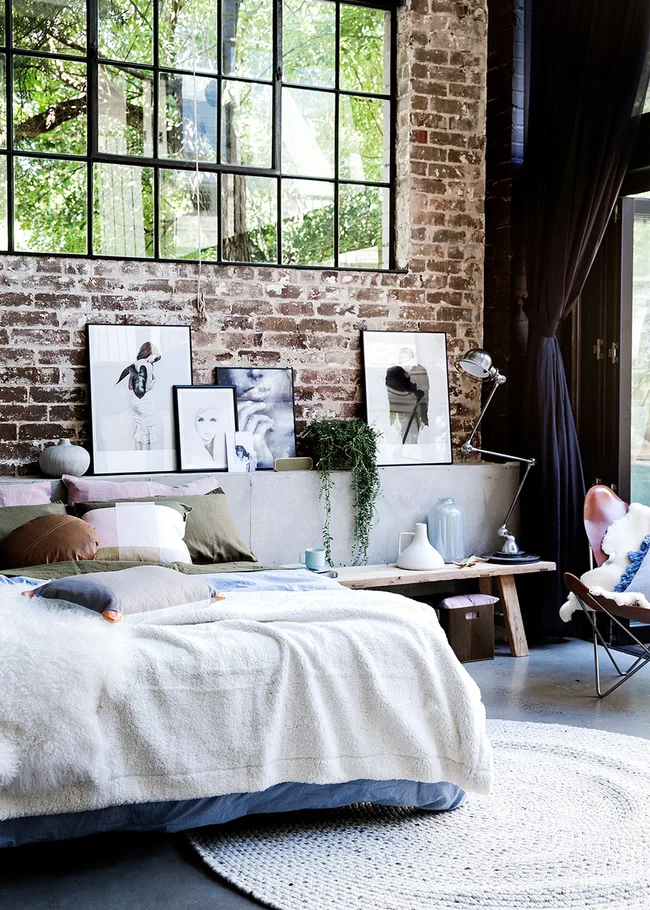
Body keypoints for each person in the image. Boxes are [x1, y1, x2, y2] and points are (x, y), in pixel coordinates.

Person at [116, 341, 161, 451]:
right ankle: (148, 459)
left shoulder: (134, 364)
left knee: (139, 430)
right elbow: (146, 388)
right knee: (148, 430)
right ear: (149, 353)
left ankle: (138, 456)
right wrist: (155, 381)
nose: (154, 358)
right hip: (145, 401)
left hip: (134, 401)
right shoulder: (148, 365)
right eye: (153, 355)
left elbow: (130, 387)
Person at [385, 348, 430, 445]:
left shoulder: (419, 371)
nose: (402, 361)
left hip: (415, 411)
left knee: (413, 437)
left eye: (405, 358)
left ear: (411, 359)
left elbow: (425, 395)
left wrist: (424, 416)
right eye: (401, 358)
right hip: (397, 410)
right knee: (397, 437)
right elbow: (389, 393)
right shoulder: (394, 371)